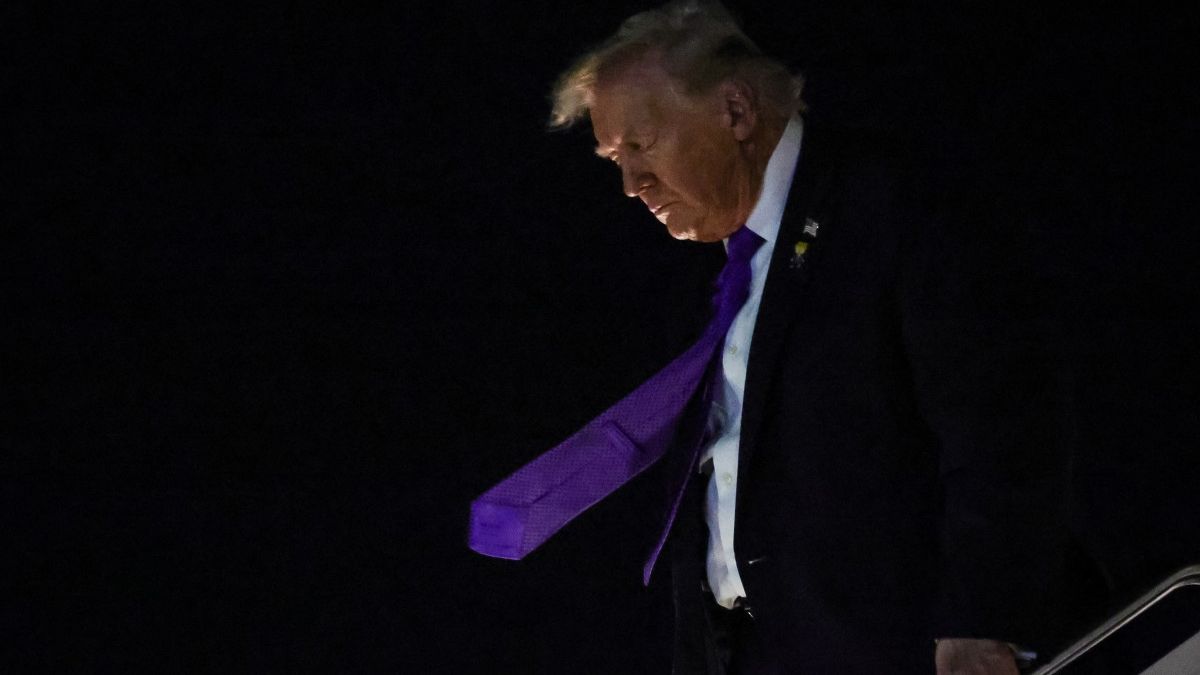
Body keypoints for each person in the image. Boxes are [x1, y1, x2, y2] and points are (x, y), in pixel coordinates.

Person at [541, 2, 1078, 672]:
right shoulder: (711, 281)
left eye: (640, 146)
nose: (630, 184)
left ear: (735, 112)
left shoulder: (894, 204)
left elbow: (1002, 429)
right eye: (614, 158)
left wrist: (981, 618)